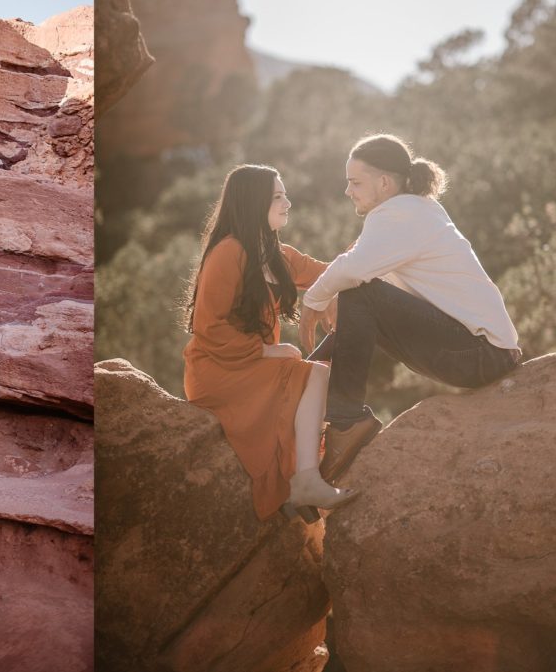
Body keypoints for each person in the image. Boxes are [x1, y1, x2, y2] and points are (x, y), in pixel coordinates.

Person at [299, 134, 521, 483]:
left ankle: (345, 421)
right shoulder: (413, 209)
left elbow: (353, 271)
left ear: (384, 183)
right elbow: (358, 276)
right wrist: (312, 362)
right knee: (359, 295)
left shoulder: (400, 214)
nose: (348, 191)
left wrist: (313, 301)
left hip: (481, 353)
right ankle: (316, 394)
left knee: (359, 293)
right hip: (482, 352)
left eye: (356, 182)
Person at [183, 164, 358, 523]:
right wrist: (264, 350)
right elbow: (207, 326)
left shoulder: (276, 254)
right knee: (314, 373)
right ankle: (306, 480)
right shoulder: (228, 252)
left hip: (250, 366)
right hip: (220, 369)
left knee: (317, 372)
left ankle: (305, 479)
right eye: (278, 196)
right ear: (254, 203)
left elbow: (330, 272)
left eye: (285, 195)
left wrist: (371, 248)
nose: (288, 203)